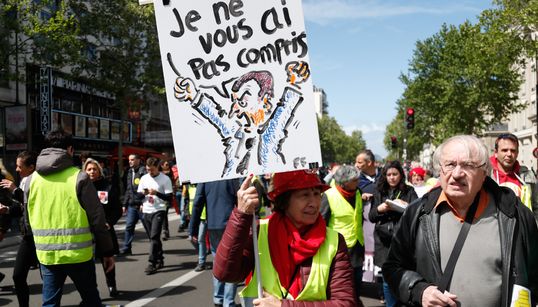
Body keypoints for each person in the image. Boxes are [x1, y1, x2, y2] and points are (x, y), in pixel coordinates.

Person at [383, 135, 538, 307]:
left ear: (484, 172)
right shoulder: (417, 214)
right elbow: (392, 268)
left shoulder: (515, 216)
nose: (457, 174)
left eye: (468, 165)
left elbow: (533, 276)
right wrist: (420, 291)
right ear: (439, 171)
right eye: (450, 164)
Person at [213, 171, 357, 306]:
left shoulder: (334, 240)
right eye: (305, 195)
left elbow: (345, 302)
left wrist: (283, 305)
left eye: (317, 193)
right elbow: (225, 273)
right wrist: (241, 215)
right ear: (284, 201)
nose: (314, 203)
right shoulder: (259, 231)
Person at [25, 129, 115, 306]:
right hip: (78, 255)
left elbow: (27, 219)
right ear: (70, 150)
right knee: (91, 300)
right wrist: (107, 252)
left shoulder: (31, 180)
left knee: (50, 303)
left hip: (48, 255)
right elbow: (97, 219)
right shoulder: (79, 177)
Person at [368, 161, 418, 307]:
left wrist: (405, 207)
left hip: (402, 239)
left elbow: (416, 212)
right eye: (388, 175)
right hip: (383, 241)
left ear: (400, 175)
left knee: (403, 275)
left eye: (395, 174)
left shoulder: (409, 191)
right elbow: (371, 216)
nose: (392, 178)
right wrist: (380, 209)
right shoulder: (379, 191)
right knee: (386, 278)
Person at [189, 178, 242, 307]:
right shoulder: (231, 176)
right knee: (231, 262)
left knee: (218, 260)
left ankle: (218, 298)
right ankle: (228, 301)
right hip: (230, 223)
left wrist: (193, 228)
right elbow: (239, 197)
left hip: (213, 224)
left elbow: (197, 203)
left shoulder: (206, 178)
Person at [320, 165, 365, 305]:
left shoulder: (357, 192)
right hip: (339, 248)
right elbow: (322, 223)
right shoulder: (329, 195)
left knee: (356, 284)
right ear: (345, 181)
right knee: (343, 286)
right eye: (355, 180)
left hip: (357, 246)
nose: (358, 181)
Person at [0, 151, 38, 307]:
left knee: (51, 277)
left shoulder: (38, 181)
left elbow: (33, 203)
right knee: (18, 276)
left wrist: (15, 189)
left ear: (31, 167)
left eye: (19, 166)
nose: (16, 169)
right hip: (28, 236)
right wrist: (7, 210)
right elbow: (22, 207)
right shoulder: (23, 181)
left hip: (42, 236)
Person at [84, 158, 122, 297]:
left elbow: (117, 209)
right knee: (87, 265)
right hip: (85, 232)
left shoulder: (108, 186)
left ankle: (112, 285)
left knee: (107, 260)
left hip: (105, 231)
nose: (92, 172)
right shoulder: (80, 187)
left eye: (94, 169)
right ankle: (92, 292)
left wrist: (109, 222)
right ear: (84, 172)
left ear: (99, 171)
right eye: (89, 169)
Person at [490, 133, 538, 222]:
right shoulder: (485, 175)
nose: (509, 154)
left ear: (517, 153)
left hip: (524, 230)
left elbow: (536, 206)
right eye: (504, 150)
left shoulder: (527, 175)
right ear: (496, 153)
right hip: (495, 231)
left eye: (513, 150)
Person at [138, 157, 173, 275]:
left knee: (154, 236)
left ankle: (152, 263)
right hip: (146, 210)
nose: (150, 172)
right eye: (148, 170)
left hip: (159, 210)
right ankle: (160, 258)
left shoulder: (165, 179)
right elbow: (138, 196)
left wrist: (157, 193)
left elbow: (169, 198)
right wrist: (143, 194)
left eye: (152, 170)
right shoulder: (144, 178)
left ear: (157, 167)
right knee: (153, 238)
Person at [354, 149, 381, 283]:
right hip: (364, 223)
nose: (356, 165)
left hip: (382, 221)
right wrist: (360, 196)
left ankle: (381, 282)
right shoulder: (356, 179)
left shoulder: (383, 176)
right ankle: (367, 279)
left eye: (359, 162)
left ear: (369, 163)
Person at [120, 153, 147, 255]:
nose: (130, 161)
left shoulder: (143, 171)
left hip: (142, 205)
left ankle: (155, 247)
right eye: (129, 160)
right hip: (132, 205)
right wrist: (124, 204)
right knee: (129, 226)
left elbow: (146, 188)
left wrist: (143, 202)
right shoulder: (129, 171)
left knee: (148, 227)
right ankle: (127, 248)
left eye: (132, 159)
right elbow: (128, 189)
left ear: (138, 160)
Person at [159, 159, 175, 240]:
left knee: (164, 214)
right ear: (161, 165)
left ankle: (165, 231)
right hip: (159, 196)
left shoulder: (170, 174)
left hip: (167, 196)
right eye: (166, 164)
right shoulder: (158, 175)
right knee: (163, 215)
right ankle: (165, 230)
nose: (167, 165)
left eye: (168, 164)